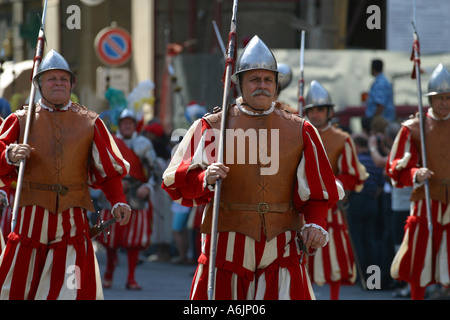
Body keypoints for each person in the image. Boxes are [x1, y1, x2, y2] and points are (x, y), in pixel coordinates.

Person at [161, 35, 344, 300]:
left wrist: (315, 224)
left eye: (268, 79)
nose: (262, 85)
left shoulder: (301, 130)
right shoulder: (212, 126)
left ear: (276, 84)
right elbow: (176, 182)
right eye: (254, 80)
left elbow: (318, 192)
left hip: (282, 246)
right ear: (239, 84)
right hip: (225, 243)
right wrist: (205, 178)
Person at [0, 50, 131, 300]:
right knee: (19, 290)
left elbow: (108, 172)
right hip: (30, 221)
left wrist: (118, 201)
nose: (59, 82)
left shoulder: (91, 122)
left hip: (73, 223)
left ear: (71, 83)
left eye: (64, 78)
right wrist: (9, 156)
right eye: (51, 78)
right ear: (38, 85)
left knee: (71, 291)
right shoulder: (20, 121)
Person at [386, 63, 450, 300]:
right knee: (419, 260)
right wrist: (415, 173)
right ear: (430, 99)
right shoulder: (414, 128)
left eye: (448, 97)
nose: (444, 102)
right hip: (426, 203)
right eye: (439, 97)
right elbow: (395, 167)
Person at [303, 80, 368, 299]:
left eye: (320, 109)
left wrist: (334, 185)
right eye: (311, 110)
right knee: (302, 261)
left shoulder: (343, 139)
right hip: (303, 205)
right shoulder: (299, 134)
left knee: (334, 261)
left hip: (332, 205)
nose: (315, 114)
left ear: (329, 111)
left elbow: (352, 174)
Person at [97, 108, 156, 290]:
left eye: (130, 123)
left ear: (135, 125)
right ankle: (108, 271)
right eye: (124, 123)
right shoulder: (110, 142)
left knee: (134, 241)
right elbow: (100, 167)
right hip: (113, 194)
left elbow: (154, 171)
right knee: (111, 238)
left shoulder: (143, 143)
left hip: (137, 195)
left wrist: (147, 187)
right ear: (120, 125)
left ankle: (131, 278)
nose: (127, 126)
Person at [346, 133, 385, 280]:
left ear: (356, 145)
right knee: (371, 239)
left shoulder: (356, 161)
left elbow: (351, 183)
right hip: (372, 202)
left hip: (357, 201)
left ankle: (360, 275)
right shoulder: (374, 162)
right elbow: (380, 185)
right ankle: (372, 278)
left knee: (356, 240)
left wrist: (345, 200)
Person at [365, 59, 395, 125]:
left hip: (381, 122)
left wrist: (373, 120)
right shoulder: (383, 81)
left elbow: (380, 104)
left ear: (372, 68)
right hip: (384, 120)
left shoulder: (380, 83)